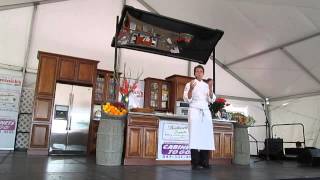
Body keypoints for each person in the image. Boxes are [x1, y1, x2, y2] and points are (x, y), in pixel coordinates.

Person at [183, 65, 216, 170]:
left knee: (205, 136)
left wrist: (210, 88)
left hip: (205, 112)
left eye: (201, 71)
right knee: (194, 135)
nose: (199, 73)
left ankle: (205, 161)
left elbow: (212, 99)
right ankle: (195, 162)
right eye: (197, 71)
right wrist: (191, 89)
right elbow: (187, 99)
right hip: (194, 111)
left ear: (203, 73)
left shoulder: (206, 85)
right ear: (194, 73)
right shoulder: (189, 84)